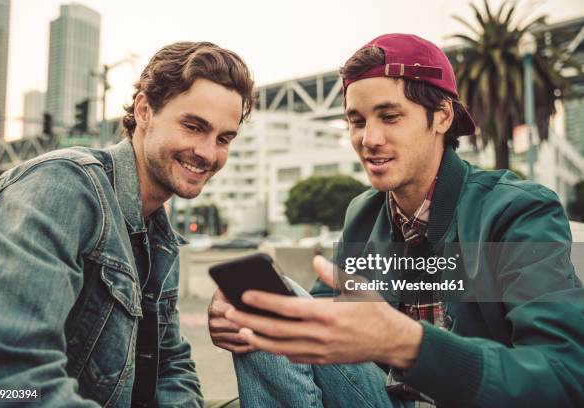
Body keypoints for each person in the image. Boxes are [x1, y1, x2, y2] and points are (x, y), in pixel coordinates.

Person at [208, 34, 584, 407]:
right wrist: (239, 316)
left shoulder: (517, 211)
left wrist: (409, 344)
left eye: (390, 117)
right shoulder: (364, 212)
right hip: (383, 399)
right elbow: (328, 308)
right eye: (356, 121)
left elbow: (565, 375)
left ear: (442, 116)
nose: (369, 139)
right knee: (273, 307)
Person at [0, 41, 254, 407]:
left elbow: (168, 363)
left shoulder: (158, 235)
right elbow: (1, 380)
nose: (208, 153)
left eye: (224, 138)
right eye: (193, 126)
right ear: (144, 110)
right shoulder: (63, 188)